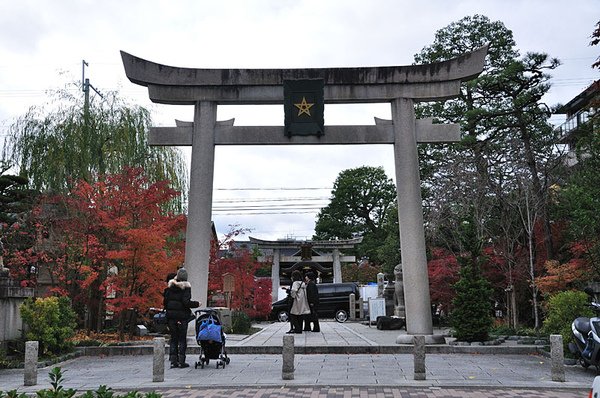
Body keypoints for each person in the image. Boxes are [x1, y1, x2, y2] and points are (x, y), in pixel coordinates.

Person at [163, 267, 200, 368]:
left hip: (171, 317)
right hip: (182, 317)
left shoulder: (170, 287)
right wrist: (197, 304)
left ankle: (173, 360)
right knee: (182, 339)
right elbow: (186, 302)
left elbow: (165, 302)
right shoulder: (186, 288)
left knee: (173, 339)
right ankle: (182, 361)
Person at [288, 269, 310, 334]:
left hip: (296, 300)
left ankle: (297, 328)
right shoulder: (303, 283)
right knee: (300, 315)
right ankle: (300, 328)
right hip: (303, 301)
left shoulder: (295, 283)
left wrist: (292, 297)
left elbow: (294, 291)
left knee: (293, 315)